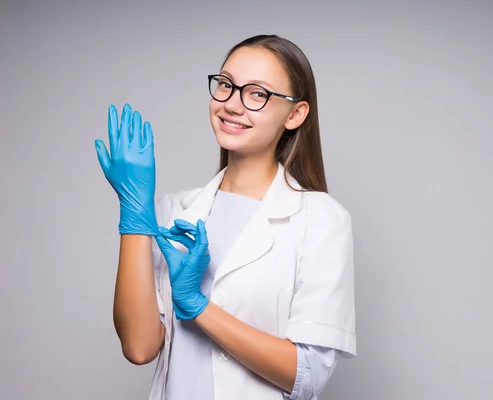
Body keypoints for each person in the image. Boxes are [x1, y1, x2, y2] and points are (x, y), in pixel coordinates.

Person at [95, 34, 356, 400]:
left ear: (295, 114)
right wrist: (134, 214)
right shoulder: (172, 212)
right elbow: (139, 348)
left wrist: (198, 308)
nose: (233, 104)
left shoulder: (321, 220)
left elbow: (307, 375)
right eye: (226, 85)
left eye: (257, 94)